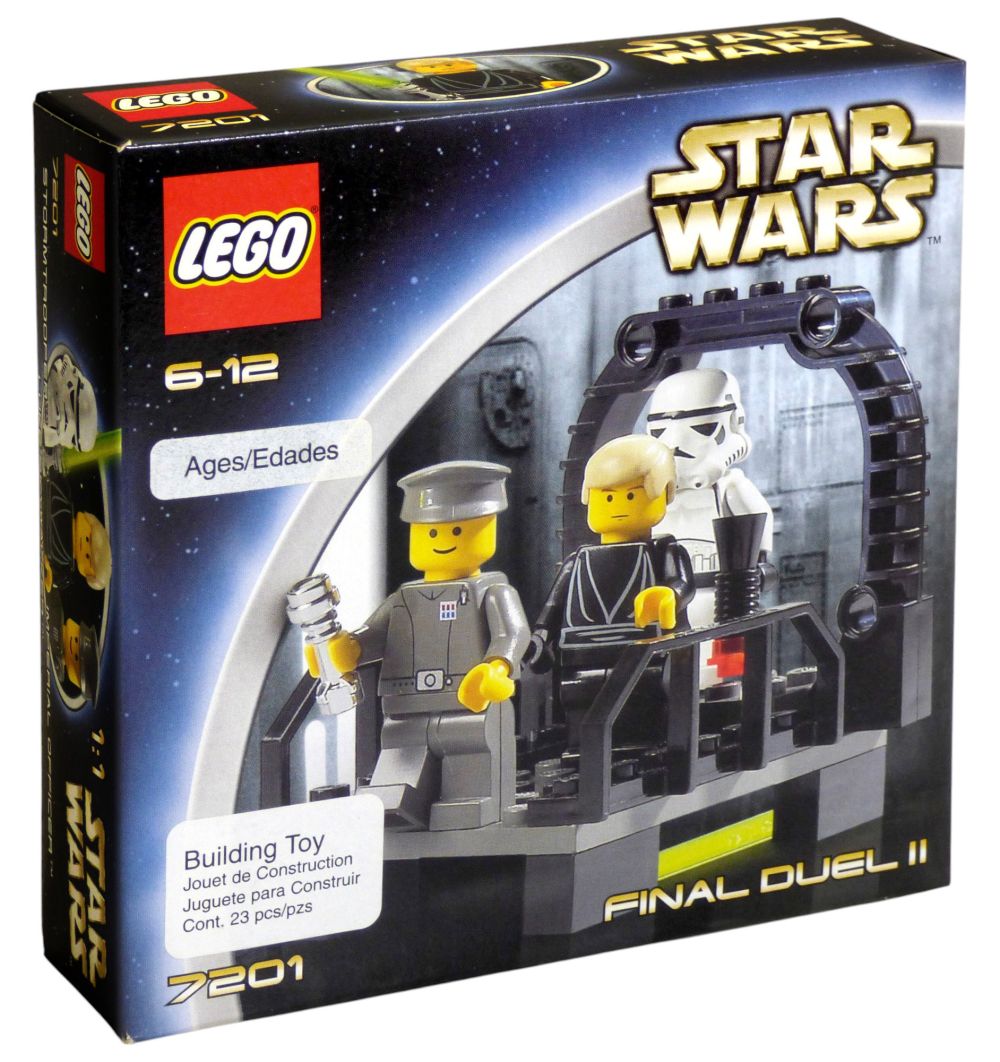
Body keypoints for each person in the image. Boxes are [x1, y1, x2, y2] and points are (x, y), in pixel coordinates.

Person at [310, 461, 530, 831]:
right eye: (429, 532)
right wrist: (344, 650)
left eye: (456, 530)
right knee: (397, 776)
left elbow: (512, 633)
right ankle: (398, 808)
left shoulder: (492, 591)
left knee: (470, 765)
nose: (442, 539)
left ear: (487, 527)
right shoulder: (403, 599)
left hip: (469, 704)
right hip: (405, 710)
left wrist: (498, 666)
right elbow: (372, 636)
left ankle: (467, 807)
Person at [527, 434, 694, 746]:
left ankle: (646, 745)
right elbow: (553, 606)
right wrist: (540, 637)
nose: (617, 506)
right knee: (579, 701)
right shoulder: (578, 561)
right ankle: (583, 747)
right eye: (606, 497)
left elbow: (682, 583)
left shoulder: (663, 552)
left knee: (645, 698)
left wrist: (669, 596)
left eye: (631, 496)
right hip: (581, 656)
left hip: (645, 652)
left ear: (664, 493)